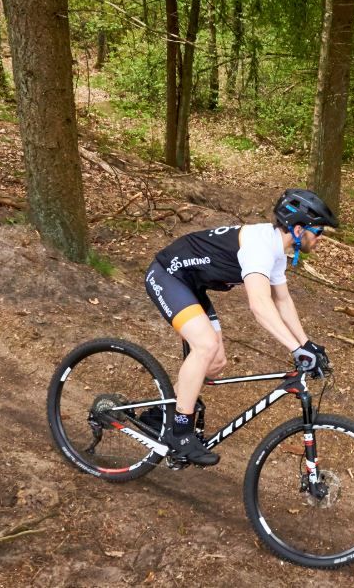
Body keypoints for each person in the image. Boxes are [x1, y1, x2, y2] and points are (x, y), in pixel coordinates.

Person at [143, 189, 338, 465]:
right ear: (298, 229)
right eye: (318, 232)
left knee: (215, 362)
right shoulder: (259, 247)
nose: (320, 239)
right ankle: (180, 433)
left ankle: (161, 414)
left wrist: (306, 344)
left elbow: (282, 300)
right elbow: (259, 305)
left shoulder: (277, 250)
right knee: (205, 345)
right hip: (167, 275)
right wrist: (294, 349)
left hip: (191, 284)